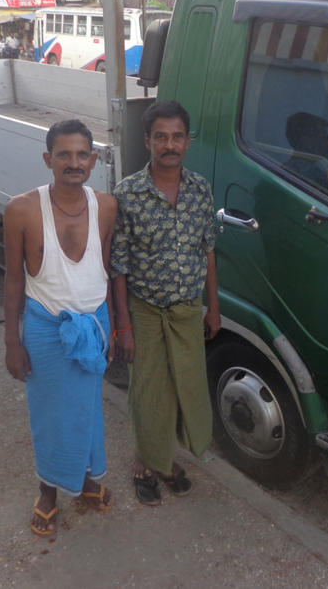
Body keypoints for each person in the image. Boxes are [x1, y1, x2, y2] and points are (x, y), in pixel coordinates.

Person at [4, 118, 118, 536]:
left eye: (82, 154)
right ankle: (48, 491)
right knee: (49, 412)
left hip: (94, 325)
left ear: (94, 158)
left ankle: (84, 479)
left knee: (86, 408)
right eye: (64, 155)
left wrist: (115, 329)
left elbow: (104, 269)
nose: (74, 162)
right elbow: (14, 279)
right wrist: (12, 342)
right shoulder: (22, 209)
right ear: (48, 159)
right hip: (46, 329)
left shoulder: (105, 205)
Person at [110, 99, 220, 506]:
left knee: (183, 386)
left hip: (188, 309)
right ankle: (146, 462)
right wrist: (122, 326)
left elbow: (207, 250)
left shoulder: (199, 190)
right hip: (145, 310)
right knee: (148, 391)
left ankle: (166, 455)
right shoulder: (128, 194)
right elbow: (118, 266)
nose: (169, 144)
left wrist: (214, 307)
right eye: (161, 137)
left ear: (187, 142)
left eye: (177, 136)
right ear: (148, 141)